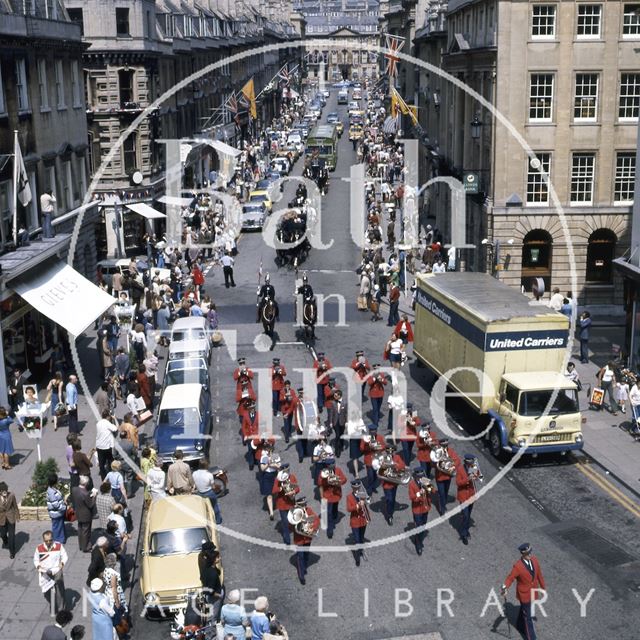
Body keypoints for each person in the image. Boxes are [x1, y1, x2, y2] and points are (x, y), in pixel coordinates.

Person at [501, 543, 547, 640]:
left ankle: (520, 625)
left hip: (533, 592)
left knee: (525, 612)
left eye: (530, 552)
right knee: (528, 618)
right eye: (528, 554)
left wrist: (543, 588)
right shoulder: (518, 566)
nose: (530, 555)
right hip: (524, 595)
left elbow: (539, 575)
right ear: (523, 554)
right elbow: (510, 578)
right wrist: (505, 587)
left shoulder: (534, 560)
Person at [34, 530, 68, 615]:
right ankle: (53, 605)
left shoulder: (59, 546)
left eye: (50, 540)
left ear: (53, 538)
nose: (48, 542)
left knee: (59, 591)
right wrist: (38, 566)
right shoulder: (39, 548)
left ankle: (61, 610)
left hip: (56, 571)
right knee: (47, 592)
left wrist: (62, 563)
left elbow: (65, 556)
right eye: (46, 541)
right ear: (43, 540)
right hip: (45, 573)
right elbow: (36, 560)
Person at [290, 496, 319, 585]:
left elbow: (316, 520)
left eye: (304, 505)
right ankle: (301, 575)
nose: (304, 507)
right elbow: (290, 527)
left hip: (307, 538)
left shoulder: (308, 510)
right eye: (302, 506)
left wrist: (312, 527)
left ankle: (304, 566)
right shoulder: (294, 513)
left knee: (306, 554)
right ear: (297, 506)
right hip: (299, 539)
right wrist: (295, 524)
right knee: (300, 557)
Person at [318, 461, 347, 538]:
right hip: (327, 496)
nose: (332, 466)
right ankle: (330, 530)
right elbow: (320, 485)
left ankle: (334, 516)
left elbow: (344, 479)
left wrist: (338, 482)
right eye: (330, 465)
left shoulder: (338, 470)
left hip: (336, 495)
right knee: (329, 513)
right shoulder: (322, 473)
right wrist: (321, 497)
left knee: (334, 511)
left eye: (333, 464)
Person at [346, 479, 369, 567]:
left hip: (363, 520)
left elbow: (367, 501)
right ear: (352, 488)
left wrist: (366, 500)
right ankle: (357, 558)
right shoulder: (349, 497)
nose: (357, 489)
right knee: (357, 540)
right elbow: (349, 508)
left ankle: (361, 550)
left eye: (358, 487)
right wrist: (358, 505)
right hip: (355, 521)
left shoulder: (362, 494)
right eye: (355, 488)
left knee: (361, 538)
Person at [456, 454, 478, 545]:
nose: (471, 464)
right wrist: (467, 479)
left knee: (468, 514)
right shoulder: (460, 469)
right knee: (465, 515)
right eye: (470, 462)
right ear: (466, 462)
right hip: (463, 496)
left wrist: (476, 476)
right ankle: (464, 534)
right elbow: (458, 483)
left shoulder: (473, 468)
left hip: (471, 495)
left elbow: (477, 477)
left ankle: (465, 528)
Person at [71, 476, 97, 552]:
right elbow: (91, 504)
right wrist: (94, 496)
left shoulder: (74, 489)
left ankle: (81, 545)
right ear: (86, 483)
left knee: (80, 529)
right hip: (86, 515)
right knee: (86, 531)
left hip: (78, 513)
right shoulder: (85, 493)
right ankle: (86, 547)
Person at [193, 459, 223, 524]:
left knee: (202, 508)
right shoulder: (209, 475)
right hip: (209, 493)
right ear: (206, 466)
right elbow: (213, 487)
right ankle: (218, 520)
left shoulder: (194, 473)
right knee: (215, 506)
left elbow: (195, 484)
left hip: (199, 493)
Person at [103, 553, 127, 630]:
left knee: (115, 612)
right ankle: (121, 629)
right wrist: (117, 602)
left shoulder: (106, 570)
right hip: (114, 595)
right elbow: (114, 588)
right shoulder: (113, 574)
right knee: (118, 613)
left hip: (108, 592)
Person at [95, 410, 118, 479]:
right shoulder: (107, 423)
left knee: (101, 465)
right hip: (107, 446)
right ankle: (112, 476)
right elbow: (115, 428)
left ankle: (104, 480)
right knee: (111, 461)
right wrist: (115, 419)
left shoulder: (98, 423)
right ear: (108, 416)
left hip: (99, 446)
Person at [0, 481, 19, 558]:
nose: (5, 492)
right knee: (2, 534)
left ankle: (12, 552)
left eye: (6, 490)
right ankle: (5, 540)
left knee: (12, 536)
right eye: (3, 491)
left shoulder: (11, 495)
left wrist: (17, 516)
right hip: (1, 519)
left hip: (11, 518)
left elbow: (15, 507)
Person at [46, 474, 67, 544]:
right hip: (56, 513)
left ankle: (60, 539)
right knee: (57, 527)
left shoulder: (53, 489)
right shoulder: (51, 492)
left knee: (59, 526)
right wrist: (64, 507)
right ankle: (58, 541)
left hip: (58, 513)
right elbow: (56, 505)